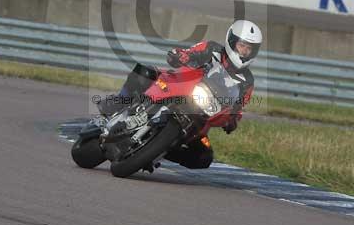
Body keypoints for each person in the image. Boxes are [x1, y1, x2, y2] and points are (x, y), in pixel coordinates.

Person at [97, 20, 262, 169]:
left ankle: (160, 149)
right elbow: (188, 52)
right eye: (242, 45)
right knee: (144, 72)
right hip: (180, 87)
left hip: (203, 114)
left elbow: (239, 105)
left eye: (249, 48)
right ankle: (120, 101)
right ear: (232, 42)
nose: (244, 51)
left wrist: (232, 119)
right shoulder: (211, 49)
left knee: (204, 157)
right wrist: (180, 55)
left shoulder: (247, 81)